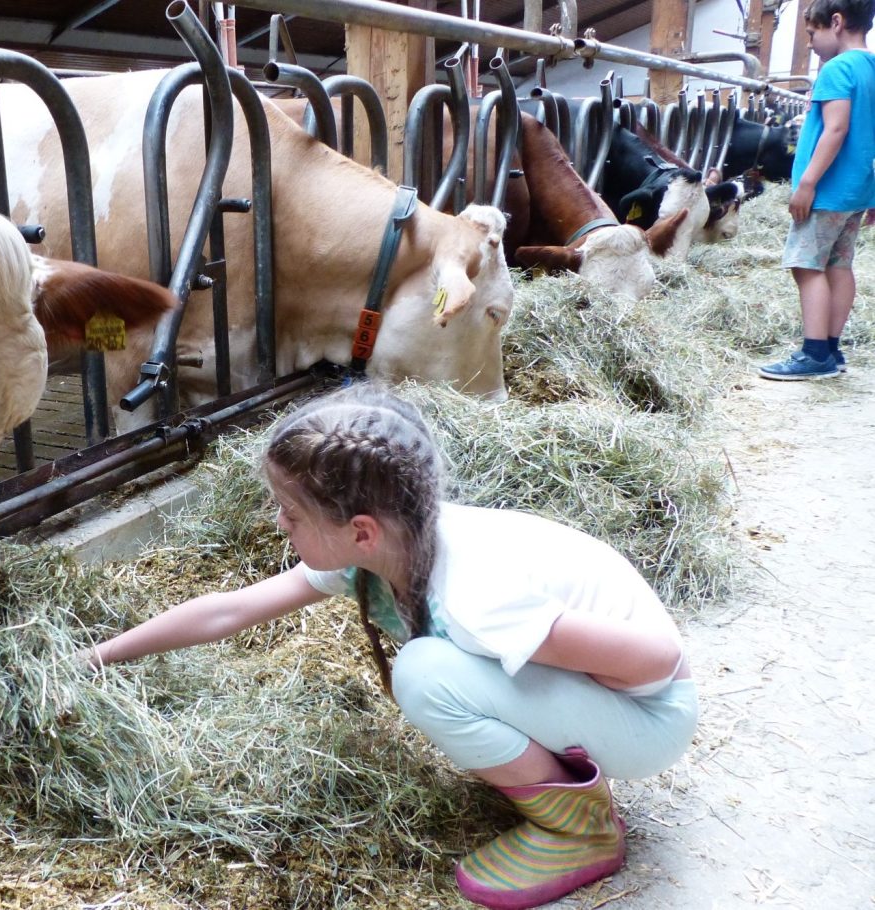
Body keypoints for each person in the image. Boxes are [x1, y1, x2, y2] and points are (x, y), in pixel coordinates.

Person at [77, 385, 699, 910]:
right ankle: (562, 779)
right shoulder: (391, 549)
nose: (278, 525)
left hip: (651, 719)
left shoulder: (475, 595)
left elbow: (657, 660)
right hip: (609, 701)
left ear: (360, 530)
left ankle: (583, 830)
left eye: (290, 515)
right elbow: (232, 610)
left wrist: (572, 712)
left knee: (426, 674)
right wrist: (99, 656)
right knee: (438, 673)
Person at [760, 0, 875, 380]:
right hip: (856, 192)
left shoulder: (836, 69)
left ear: (837, 22)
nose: (810, 43)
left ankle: (814, 354)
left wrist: (807, 182)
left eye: (812, 33)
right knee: (839, 265)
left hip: (826, 191)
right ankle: (831, 349)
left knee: (806, 266)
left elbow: (836, 129)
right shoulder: (872, 68)